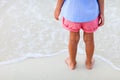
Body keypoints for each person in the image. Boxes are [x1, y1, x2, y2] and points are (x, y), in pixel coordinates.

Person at [54, 0, 104, 70]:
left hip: (72, 13)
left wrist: (58, 8)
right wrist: (102, 13)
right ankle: (89, 63)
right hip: (90, 15)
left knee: (73, 39)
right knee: (89, 39)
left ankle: (72, 62)